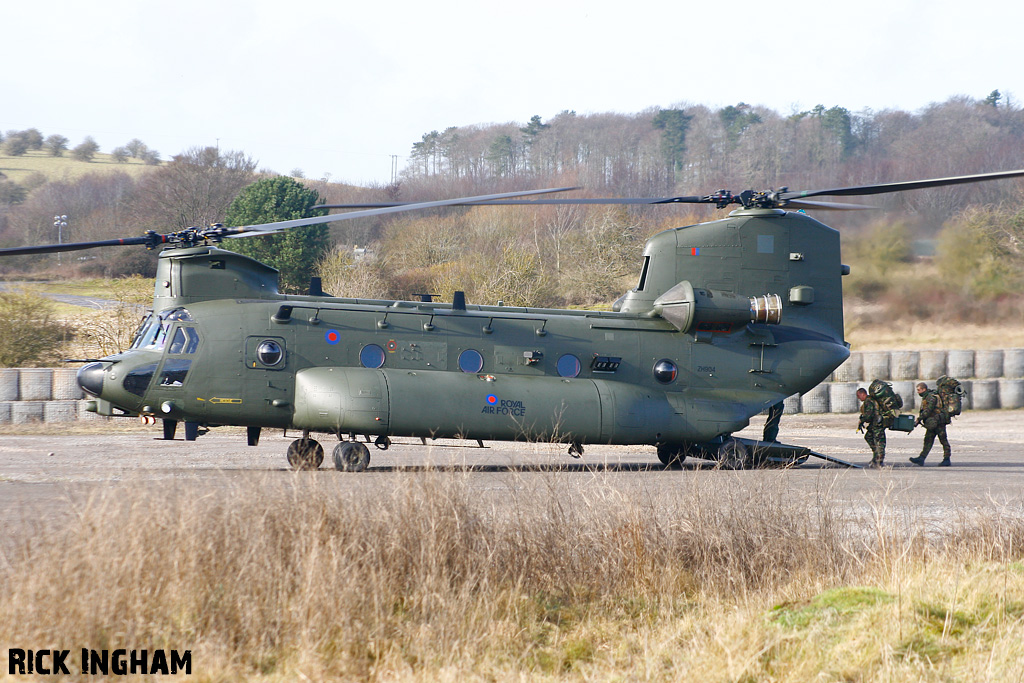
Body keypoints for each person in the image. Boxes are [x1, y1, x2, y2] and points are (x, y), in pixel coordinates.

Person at [910, 382, 951, 466]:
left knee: (943, 440)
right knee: (928, 441)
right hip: (932, 423)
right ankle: (921, 458)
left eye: (919, 390)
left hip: (939, 422)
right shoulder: (926, 397)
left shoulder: (931, 397)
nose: (918, 392)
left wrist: (919, 419)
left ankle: (947, 459)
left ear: (924, 389)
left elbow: (928, 410)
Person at [857, 387, 886, 468]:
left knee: (879, 442)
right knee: (868, 437)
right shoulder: (870, 400)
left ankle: (879, 461)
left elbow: (869, 415)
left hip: (878, 424)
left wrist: (862, 420)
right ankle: (876, 456)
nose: (858, 398)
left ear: (863, 394)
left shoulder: (868, 401)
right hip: (875, 424)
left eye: (858, 396)